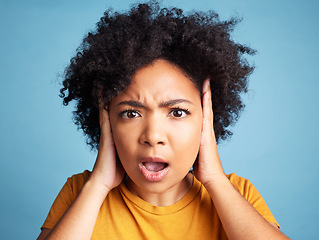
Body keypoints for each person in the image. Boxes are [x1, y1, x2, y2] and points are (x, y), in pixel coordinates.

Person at [37, 1, 289, 239]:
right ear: (107, 120)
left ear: (206, 119)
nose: (153, 135)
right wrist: (98, 185)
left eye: (177, 112)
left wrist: (214, 179)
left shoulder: (237, 193)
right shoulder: (81, 191)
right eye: (131, 113)